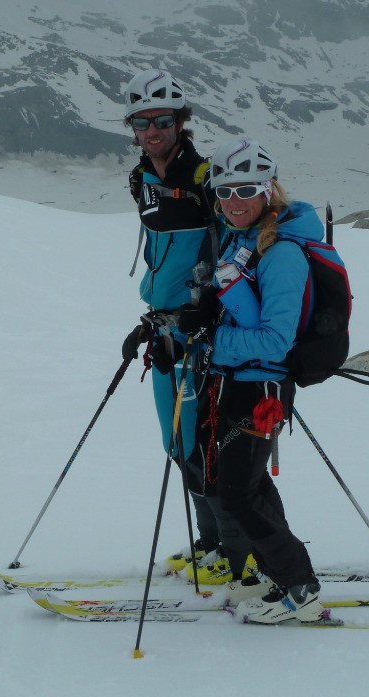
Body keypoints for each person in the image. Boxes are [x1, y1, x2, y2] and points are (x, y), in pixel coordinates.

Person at [177, 137, 324, 623]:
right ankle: (275, 571)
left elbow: (276, 340)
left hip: (262, 388)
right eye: (225, 192)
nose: (233, 201)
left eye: (245, 190)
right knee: (249, 485)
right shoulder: (241, 239)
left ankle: (300, 586)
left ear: (268, 190)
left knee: (237, 494)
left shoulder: (282, 254)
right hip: (233, 382)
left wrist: (211, 340)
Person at [118, 69, 254, 584]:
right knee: (178, 442)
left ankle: (233, 553)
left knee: (203, 441)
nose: (152, 130)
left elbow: (235, 244)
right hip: (164, 328)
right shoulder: (142, 178)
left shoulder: (203, 179)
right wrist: (153, 317)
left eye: (162, 120)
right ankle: (211, 543)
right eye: (142, 122)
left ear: (181, 121)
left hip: (200, 333)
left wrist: (209, 308)